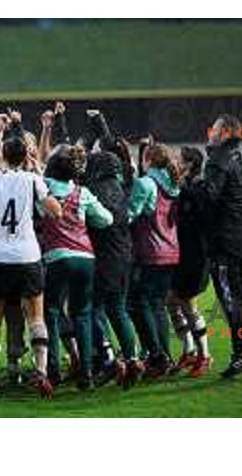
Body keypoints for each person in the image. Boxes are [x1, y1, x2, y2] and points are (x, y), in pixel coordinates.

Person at [0, 137, 62, 398]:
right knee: (36, 317)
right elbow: (55, 211)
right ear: (25, 157)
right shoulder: (32, 179)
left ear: (3, 153)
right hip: (26, 256)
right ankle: (42, 372)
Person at [41, 145, 114, 390]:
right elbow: (106, 219)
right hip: (85, 258)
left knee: (50, 313)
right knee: (82, 314)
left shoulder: (43, 188)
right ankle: (87, 373)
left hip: (56, 257)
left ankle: (53, 372)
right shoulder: (82, 192)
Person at [202, 114, 242, 377]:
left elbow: (209, 197)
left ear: (224, 131)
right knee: (235, 298)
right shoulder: (236, 154)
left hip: (226, 241)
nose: (209, 132)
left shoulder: (220, 159)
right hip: (241, 237)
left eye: (213, 128)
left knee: (230, 300)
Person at [85, 150, 144, 388]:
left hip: (103, 257)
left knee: (93, 308)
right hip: (124, 256)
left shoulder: (94, 191)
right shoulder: (121, 190)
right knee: (118, 309)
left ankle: (109, 358)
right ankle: (132, 358)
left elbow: (93, 221)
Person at [129, 143, 181, 378]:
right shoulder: (173, 184)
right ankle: (164, 356)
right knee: (158, 305)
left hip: (150, 253)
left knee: (140, 304)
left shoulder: (146, 183)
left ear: (148, 159)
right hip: (171, 252)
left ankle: (156, 355)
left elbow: (131, 213)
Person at [167, 146, 213, 377]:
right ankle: (189, 350)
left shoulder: (198, 190)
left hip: (196, 258)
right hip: (181, 256)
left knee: (188, 304)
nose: (175, 162)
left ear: (189, 165)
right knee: (171, 302)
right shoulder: (186, 188)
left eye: (179, 159)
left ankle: (205, 356)